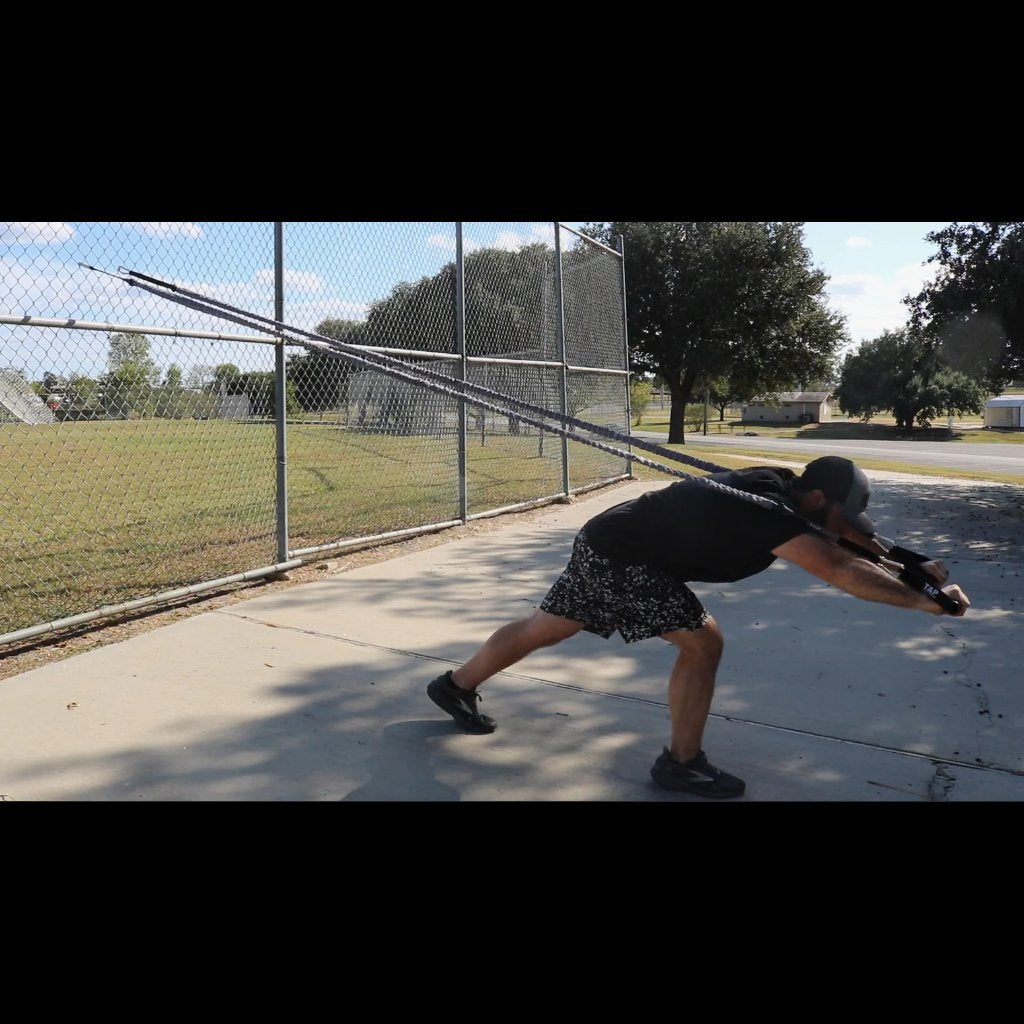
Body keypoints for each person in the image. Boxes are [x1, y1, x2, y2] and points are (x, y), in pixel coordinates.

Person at [426, 456, 971, 799]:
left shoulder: (785, 487)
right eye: (843, 517)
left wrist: (905, 563)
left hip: (610, 540)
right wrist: (926, 604)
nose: (849, 530)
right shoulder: (769, 511)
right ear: (817, 500)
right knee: (703, 643)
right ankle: (681, 766)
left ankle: (453, 686)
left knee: (546, 626)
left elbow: (847, 541)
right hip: (626, 557)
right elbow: (835, 566)